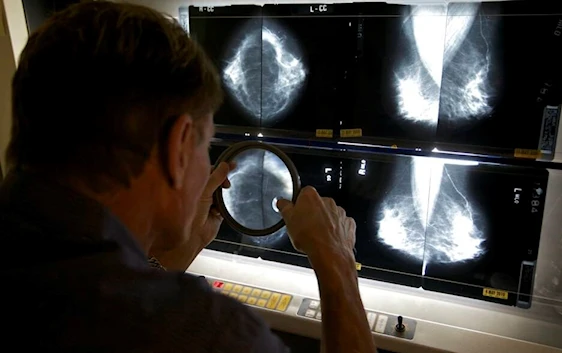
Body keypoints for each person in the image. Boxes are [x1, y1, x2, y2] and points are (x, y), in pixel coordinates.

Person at [0, 2, 377, 352]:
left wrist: (168, 261)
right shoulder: (210, 334)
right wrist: (337, 263)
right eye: (206, 144)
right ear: (178, 147)